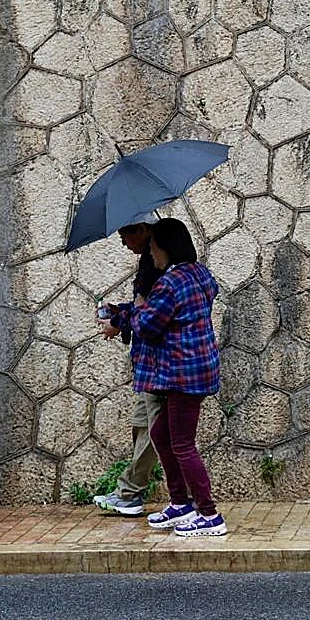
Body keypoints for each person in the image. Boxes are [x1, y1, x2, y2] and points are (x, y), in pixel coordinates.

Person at [101, 218, 227, 536]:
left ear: (166, 247)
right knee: (160, 435)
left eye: (154, 246)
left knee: (182, 443)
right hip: (192, 368)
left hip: (182, 373)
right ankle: (180, 504)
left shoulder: (170, 283)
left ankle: (210, 515)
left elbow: (148, 325)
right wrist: (130, 310)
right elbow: (161, 312)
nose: (150, 254)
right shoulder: (198, 274)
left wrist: (123, 315)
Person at [92, 220, 163, 516]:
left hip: (159, 365)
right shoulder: (149, 264)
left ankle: (132, 492)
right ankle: (131, 492)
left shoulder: (161, 269)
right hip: (147, 364)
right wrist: (121, 311)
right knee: (144, 428)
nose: (123, 242)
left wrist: (118, 322)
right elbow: (144, 309)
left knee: (160, 435)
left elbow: (151, 316)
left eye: (125, 235)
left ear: (144, 231)